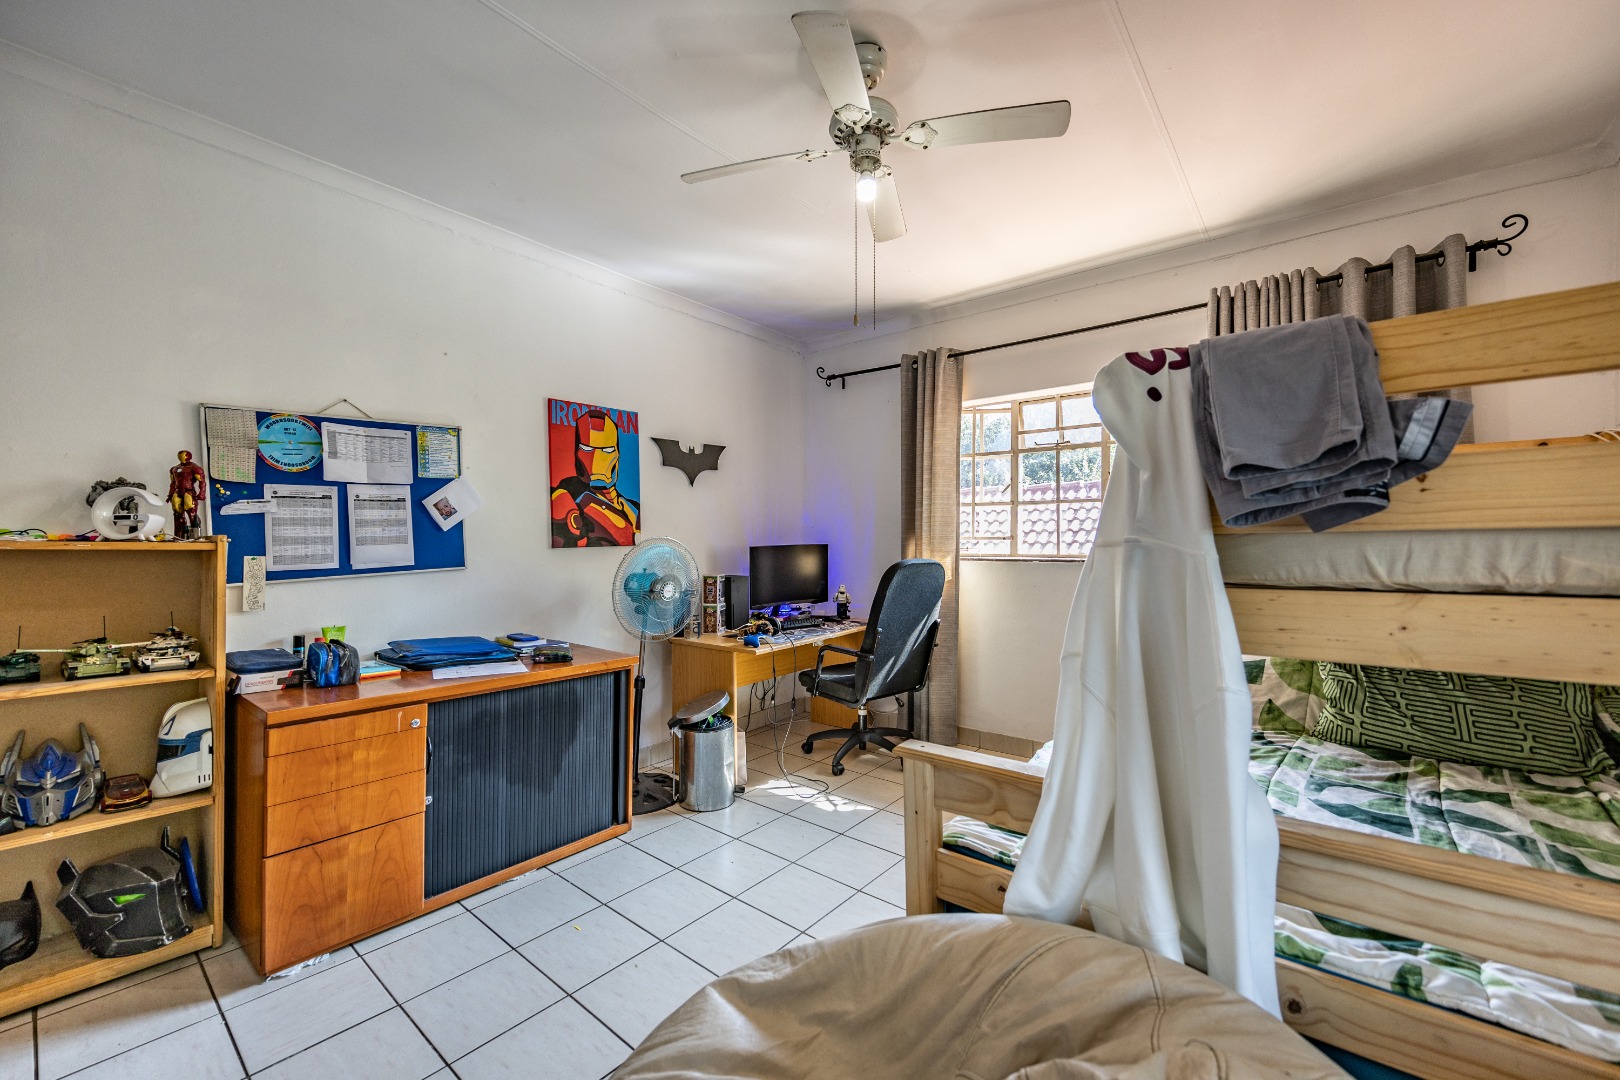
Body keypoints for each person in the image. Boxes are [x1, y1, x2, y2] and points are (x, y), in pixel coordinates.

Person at [551, 410, 639, 546]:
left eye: (607, 450)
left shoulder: (633, 507)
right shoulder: (568, 496)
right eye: (587, 449)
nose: (597, 459)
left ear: (617, 454)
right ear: (576, 453)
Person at [168, 451, 206, 540]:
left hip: (189, 492)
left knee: (191, 512)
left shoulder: (195, 468)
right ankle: (178, 536)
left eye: (183, 455)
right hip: (177, 492)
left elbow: (202, 482)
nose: (181, 457)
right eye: (179, 456)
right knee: (177, 513)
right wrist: (170, 494)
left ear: (188, 456)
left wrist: (202, 493)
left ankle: (195, 536)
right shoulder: (174, 469)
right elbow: (173, 483)